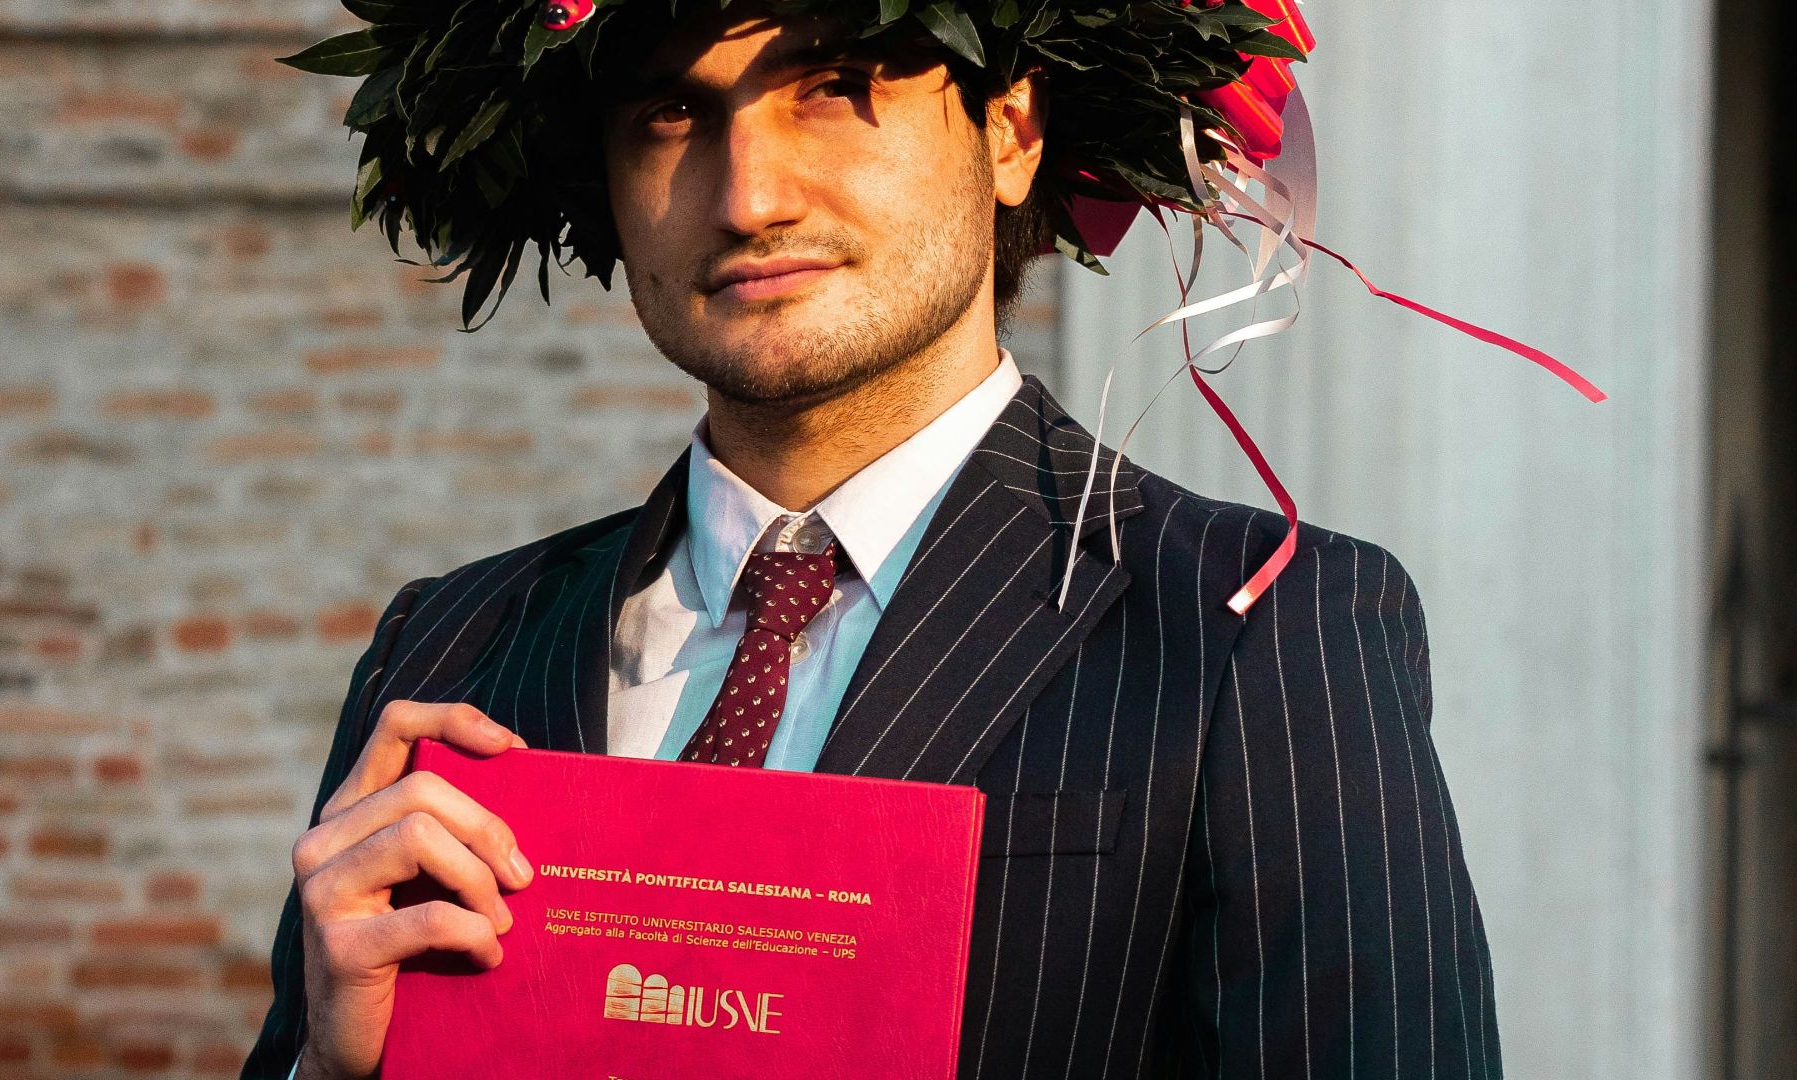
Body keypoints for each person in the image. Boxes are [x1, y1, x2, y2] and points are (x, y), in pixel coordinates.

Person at [246, 0, 1504, 1075]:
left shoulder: (1257, 626)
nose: (748, 197)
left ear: (1012, 128)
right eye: (673, 114)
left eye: (836, 88)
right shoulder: (449, 643)